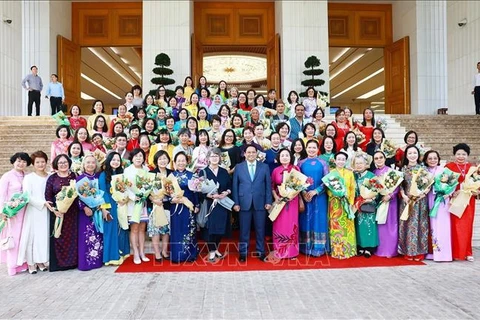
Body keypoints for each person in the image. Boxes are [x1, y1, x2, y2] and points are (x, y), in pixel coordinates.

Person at [232, 145, 272, 262]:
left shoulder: (264, 167)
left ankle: (261, 251)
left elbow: (268, 185)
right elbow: (235, 186)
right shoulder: (239, 167)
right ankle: (243, 253)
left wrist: (268, 201)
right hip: (244, 202)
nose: (251, 154)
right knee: (244, 230)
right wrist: (236, 203)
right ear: (244, 154)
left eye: (253, 152)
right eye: (248, 152)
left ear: (256, 154)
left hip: (260, 201)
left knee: (260, 229)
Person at [17, 151, 50, 274]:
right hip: (34, 210)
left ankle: (40, 261)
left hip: (47, 211)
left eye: (42, 162)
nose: (40, 164)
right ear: (33, 164)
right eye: (37, 162)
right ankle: (31, 263)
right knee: (31, 237)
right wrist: (42, 203)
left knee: (43, 237)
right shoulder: (29, 178)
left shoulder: (49, 176)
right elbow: (27, 196)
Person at [45, 155, 78, 272]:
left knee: (73, 237)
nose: (63, 165)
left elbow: (80, 193)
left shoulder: (74, 176)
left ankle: (73, 262)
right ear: (56, 165)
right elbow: (48, 197)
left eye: (65, 162)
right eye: (60, 163)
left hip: (73, 213)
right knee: (59, 237)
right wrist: (54, 210)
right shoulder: (52, 178)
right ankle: (59, 264)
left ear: (69, 163)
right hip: (58, 213)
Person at [0, 152, 31, 275]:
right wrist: (3, 211)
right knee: (14, 239)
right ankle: (12, 265)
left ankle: (23, 263)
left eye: (24, 161)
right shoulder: (7, 176)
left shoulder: (27, 176)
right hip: (12, 213)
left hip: (26, 212)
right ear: (13, 161)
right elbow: (1, 195)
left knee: (24, 238)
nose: (21, 163)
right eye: (18, 161)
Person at [445, 143, 477, 261]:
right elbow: (444, 183)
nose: (461, 156)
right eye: (458, 154)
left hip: (468, 200)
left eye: (463, 154)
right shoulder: (449, 167)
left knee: (467, 226)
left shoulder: (473, 168)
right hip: (454, 200)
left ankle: (467, 251)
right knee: (454, 226)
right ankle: (454, 252)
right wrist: (451, 192)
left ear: (467, 155)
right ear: (454, 155)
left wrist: (476, 192)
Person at [199, 148, 232, 262]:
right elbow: (199, 189)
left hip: (222, 204)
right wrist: (209, 196)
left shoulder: (224, 171)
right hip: (209, 204)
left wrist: (226, 192)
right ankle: (212, 251)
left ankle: (216, 248)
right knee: (210, 229)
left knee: (220, 229)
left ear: (220, 158)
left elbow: (230, 186)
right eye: (212, 156)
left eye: (216, 156)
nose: (214, 158)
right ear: (208, 158)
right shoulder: (203, 172)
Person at [99, 152, 130, 265]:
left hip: (121, 204)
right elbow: (103, 192)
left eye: (118, 160)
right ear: (108, 161)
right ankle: (111, 257)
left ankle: (122, 253)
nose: (116, 162)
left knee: (122, 228)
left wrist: (124, 198)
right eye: (113, 160)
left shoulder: (121, 174)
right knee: (111, 230)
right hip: (110, 204)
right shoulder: (103, 175)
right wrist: (106, 208)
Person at [398, 145, 429, 261]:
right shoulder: (402, 169)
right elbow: (400, 185)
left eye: (414, 153)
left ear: (418, 154)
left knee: (420, 225)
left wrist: (423, 194)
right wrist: (404, 196)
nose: (412, 155)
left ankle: (419, 251)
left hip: (420, 201)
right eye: (410, 153)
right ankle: (407, 251)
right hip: (407, 201)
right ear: (406, 155)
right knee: (407, 224)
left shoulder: (423, 169)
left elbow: (428, 184)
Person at [298, 140, 328, 256]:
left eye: (314, 147)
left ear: (318, 149)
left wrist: (316, 191)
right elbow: (297, 180)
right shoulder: (300, 163)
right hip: (305, 198)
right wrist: (304, 192)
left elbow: (327, 181)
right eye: (309, 147)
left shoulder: (323, 163)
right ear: (306, 149)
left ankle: (319, 248)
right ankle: (305, 247)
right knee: (305, 220)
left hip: (319, 197)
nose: (311, 149)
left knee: (319, 220)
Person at [271, 149, 302, 259]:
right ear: (279, 158)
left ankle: (292, 252)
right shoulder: (275, 170)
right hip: (280, 201)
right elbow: (272, 186)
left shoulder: (296, 169)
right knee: (279, 225)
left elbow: (300, 185)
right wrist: (276, 197)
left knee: (292, 225)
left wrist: (292, 194)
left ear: (291, 157)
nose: (285, 157)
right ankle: (279, 251)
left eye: (287, 155)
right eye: (282, 155)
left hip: (292, 201)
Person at [170, 152, 199, 263]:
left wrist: (197, 205)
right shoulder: (171, 176)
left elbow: (196, 192)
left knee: (189, 230)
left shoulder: (192, 175)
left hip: (189, 206)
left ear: (187, 162)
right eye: (179, 160)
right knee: (177, 230)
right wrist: (171, 200)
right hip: (176, 207)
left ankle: (190, 255)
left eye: (183, 160)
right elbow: (167, 193)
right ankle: (177, 255)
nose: (181, 163)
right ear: (175, 162)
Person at [424, 150, 452, 262]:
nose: (432, 160)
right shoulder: (424, 172)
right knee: (431, 225)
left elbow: (452, 186)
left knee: (442, 225)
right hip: (429, 199)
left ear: (438, 159)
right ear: (426, 160)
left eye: (435, 158)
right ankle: (432, 252)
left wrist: (448, 193)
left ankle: (444, 254)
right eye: (430, 158)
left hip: (441, 202)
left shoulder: (444, 171)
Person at [76, 154, 104, 271]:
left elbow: (102, 193)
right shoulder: (79, 179)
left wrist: (100, 206)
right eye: (88, 162)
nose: (90, 165)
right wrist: (84, 207)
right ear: (83, 164)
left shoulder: (98, 178)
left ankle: (97, 261)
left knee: (98, 235)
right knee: (86, 236)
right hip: (85, 213)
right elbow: (76, 197)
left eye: (93, 162)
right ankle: (85, 263)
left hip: (98, 211)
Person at [328, 151, 356, 259]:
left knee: (348, 227)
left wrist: (351, 202)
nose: (340, 161)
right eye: (338, 159)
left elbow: (352, 188)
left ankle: (349, 250)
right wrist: (334, 194)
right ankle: (337, 251)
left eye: (343, 159)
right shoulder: (331, 172)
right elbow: (328, 189)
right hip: (335, 204)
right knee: (336, 227)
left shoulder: (350, 173)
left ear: (346, 161)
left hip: (347, 203)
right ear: (335, 161)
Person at [124, 149, 150, 264]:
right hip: (132, 203)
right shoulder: (128, 170)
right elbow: (125, 187)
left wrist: (145, 195)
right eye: (136, 156)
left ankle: (142, 252)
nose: (138, 158)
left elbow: (150, 184)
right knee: (134, 228)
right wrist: (134, 197)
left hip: (143, 203)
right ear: (132, 158)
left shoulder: (146, 169)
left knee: (142, 229)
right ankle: (135, 253)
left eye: (140, 156)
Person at [373, 151, 399, 258]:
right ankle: (381, 249)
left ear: (385, 158)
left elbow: (397, 186)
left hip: (391, 202)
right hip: (379, 202)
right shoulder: (374, 173)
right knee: (380, 225)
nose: (379, 160)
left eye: (381, 157)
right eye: (376, 158)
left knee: (391, 225)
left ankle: (391, 250)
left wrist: (391, 195)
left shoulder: (391, 171)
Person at [352, 153, 378, 258]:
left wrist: (370, 198)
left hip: (368, 203)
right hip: (357, 204)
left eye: (361, 163)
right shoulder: (354, 175)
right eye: (357, 163)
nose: (359, 165)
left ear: (365, 164)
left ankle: (369, 248)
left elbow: (377, 190)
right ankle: (360, 246)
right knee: (358, 225)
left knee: (368, 225)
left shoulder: (371, 175)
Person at [148, 150, 172, 261]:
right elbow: (146, 191)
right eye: (160, 159)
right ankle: (157, 253)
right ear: (156, 161)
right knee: (156, 229)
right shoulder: (151, 173)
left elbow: (175, 189)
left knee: (166, 229)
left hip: (167, 204)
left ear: (168, 160)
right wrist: (154, 199)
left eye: (165, 158)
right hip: (155, 205)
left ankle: (164, 251)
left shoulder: (171, 173)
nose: (163, 161)